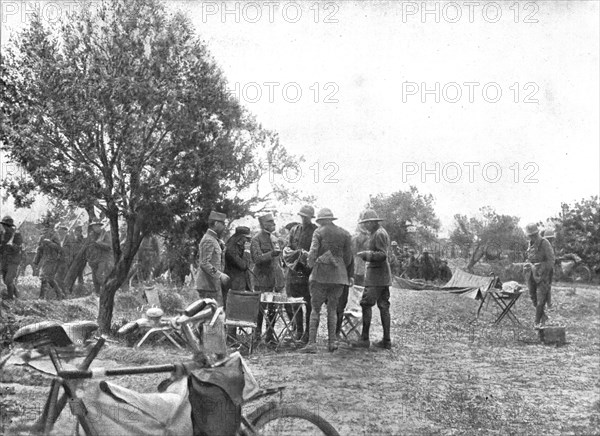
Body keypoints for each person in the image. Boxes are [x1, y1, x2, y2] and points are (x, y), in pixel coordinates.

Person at [300, 208, 353, 353]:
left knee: (315, 309)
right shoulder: (345, 233)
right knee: (333, 309)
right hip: (339, 276)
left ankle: (312, 343)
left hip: (320, 275)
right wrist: (340, 267)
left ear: (320, 220)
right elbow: (348, 258)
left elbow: (313, 252)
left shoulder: (318, 232)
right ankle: (332, 342)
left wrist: (311, 265)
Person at [353, 209, 393, 349]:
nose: (365, 226)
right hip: (381, 276)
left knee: (366, 304)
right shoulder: (377, 233)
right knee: (383, 306)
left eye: (366, 223)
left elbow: (382, 255)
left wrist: (366, 254)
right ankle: (386, 340)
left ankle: (364, 339)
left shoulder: (379, 234)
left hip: (376, 277)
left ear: (372, 222)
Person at [282, 205, 317, 343]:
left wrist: (307, 257)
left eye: (306, 217)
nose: (304, 219)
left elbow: (317, 251)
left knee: (309, 305)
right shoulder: (294, 230)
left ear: (311, 218)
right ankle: (299, 331)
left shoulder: (316, 231)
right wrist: (293, 254)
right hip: (293, 273)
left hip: (309, 273)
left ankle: (308, 334)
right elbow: (289, 246)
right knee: (294, 304)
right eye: (302, 216)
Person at [251, 213, 283, 345]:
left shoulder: (275, 238)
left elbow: (278, 261)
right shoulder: (256, 239)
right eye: (270, 222)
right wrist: (271, 254)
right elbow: (257, 259)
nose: (273, 224)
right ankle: (257, 335)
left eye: (273, 222)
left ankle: (269, 335)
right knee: (260, 309)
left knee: (273, 308)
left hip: (274, 279)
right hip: (261, 279)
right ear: (264, 224)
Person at [523, 223, 555, 328]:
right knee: (533, 297)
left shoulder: (544, 243)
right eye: (530, 235)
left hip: (542, 275)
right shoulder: (530, 244)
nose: (532, 237)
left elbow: (551, 261)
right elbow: (529, 257)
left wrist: (540, 266)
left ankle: (537, 321)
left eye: (534, 234)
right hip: (531, 275)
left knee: (541, 298)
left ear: (537, 233)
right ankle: (543, 317)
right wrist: (528, 264)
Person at [196, 211, 229, 306]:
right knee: (210, 315)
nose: (224, 227)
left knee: (215, 315)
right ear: (216, 223)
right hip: (207, 286)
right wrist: (220, 275)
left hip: (212, 286)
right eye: (223, 224)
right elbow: (204, 263)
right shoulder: (208, 240)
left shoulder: (214, 239)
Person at [34, 226, 65, 299]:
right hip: (44, 260)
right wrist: (36, 260)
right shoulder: (42, 237)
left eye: (47, 229)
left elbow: (59, 248)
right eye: (44, 229)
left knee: (45, 277)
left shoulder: (55, 236)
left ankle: (42, 297)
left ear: (50, 229)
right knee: (47, 278)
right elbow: (39, 250)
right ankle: (59, 294)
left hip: (52, 260)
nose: (45, 231)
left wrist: (50, 243)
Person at [224, 226, 253, 300]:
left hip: (241, 285)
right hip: (234, 285)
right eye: (246, 238)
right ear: (241, 237)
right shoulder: (231, 249)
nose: (248, 240)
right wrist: (247, 251)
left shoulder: (240, 246)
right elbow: (243, 265)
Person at [86, 221, 113, 295]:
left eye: (96, 226)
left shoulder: (105, 234)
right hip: (94, 259)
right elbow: (88, 247)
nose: (95, 228)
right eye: (93, 227)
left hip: (103, 258)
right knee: (94, 277)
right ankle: (97, 292)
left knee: (99, 275)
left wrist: (100, 243)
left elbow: (109, 246)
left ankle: (108, 289)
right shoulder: (92, 235)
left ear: (99, 226)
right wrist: (88, 257)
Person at [0, 216, 23, 300]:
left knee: (8, 280)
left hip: (13, 260)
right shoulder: (2, 234)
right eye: (4, 225)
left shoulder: (16, 234)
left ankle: (10, 298)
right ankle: (17, 296)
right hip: (4, 259)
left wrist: (12, 245)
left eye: (6, 225)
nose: (5, 227)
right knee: (5, 279)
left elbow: (19, 247)